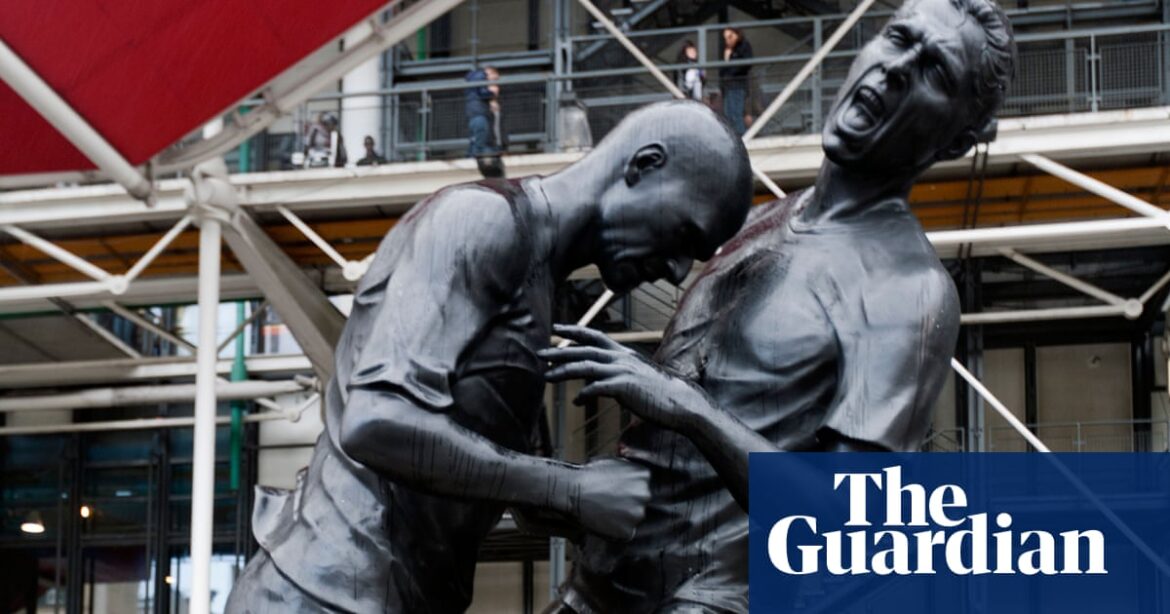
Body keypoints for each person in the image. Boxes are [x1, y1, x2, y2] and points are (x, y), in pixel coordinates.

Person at [541, 0, 1016, 611]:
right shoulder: (765, 219)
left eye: (935, 72)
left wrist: (687, 410)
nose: (897, 69)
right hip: (598, 588)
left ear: (959, 140)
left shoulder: (908, 292)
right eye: (898, 38)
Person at [225, 100, 755, 613]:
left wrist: (607, 504)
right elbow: (375, 420)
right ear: (643, 165)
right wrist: (569, 487)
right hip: (322, 594)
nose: (677, 270)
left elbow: (485, 478)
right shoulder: (481, 221)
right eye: (685, 234)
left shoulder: (538, 280)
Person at [466, 65, 505, 177]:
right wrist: (492, 93)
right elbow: (483, 92)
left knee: (479, 138)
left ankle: (473, 157)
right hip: (478, 114)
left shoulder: (476, 81)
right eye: (494, 78)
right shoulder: (480, 77)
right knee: (480, 137)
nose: (494, 82)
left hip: (478, 113)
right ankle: (472, 157)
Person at [718, 28, 753, 136]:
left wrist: (731, 69)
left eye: (730, 36)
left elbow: (746, 65)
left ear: (737, 35)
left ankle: (740, 137)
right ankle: (734, 136)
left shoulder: (744, 46)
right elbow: (722, 71)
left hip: (738, 84)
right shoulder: (727, 51)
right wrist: (727, 59)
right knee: (729, 113)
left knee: (736, 113)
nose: (728, 40)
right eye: (726, 38)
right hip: (728, 86)